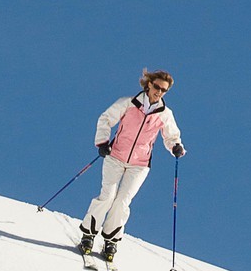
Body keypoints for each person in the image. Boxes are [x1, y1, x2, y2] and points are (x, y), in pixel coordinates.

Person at [79, 71, 186, 261]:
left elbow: (171, 136)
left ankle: (111, 240)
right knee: (108, 196)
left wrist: (176, 147)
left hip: (140, 164)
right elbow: (105, 118)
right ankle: (88, 235)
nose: (159, 92)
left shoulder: (165, 114)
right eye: (157, 87)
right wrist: (103, 142)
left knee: (122, 202)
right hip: (116, 157)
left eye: (164, 90)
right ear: (148, 85)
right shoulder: (129, 103)